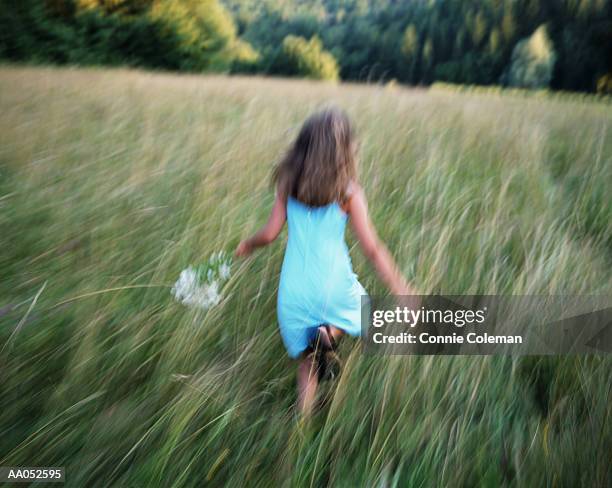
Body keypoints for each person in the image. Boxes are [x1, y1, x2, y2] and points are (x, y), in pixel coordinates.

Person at [236, 107, 416, 416]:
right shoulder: (348, 193)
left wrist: (248, 245)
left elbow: (268, 234)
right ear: (344, 151)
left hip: (294, 291)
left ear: (303, 146)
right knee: (361, 307)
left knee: (307, 363)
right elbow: (372, 248)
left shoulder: (288, 184)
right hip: (333, 284)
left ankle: (302, 428)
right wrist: (401, 288)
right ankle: (331, 333)